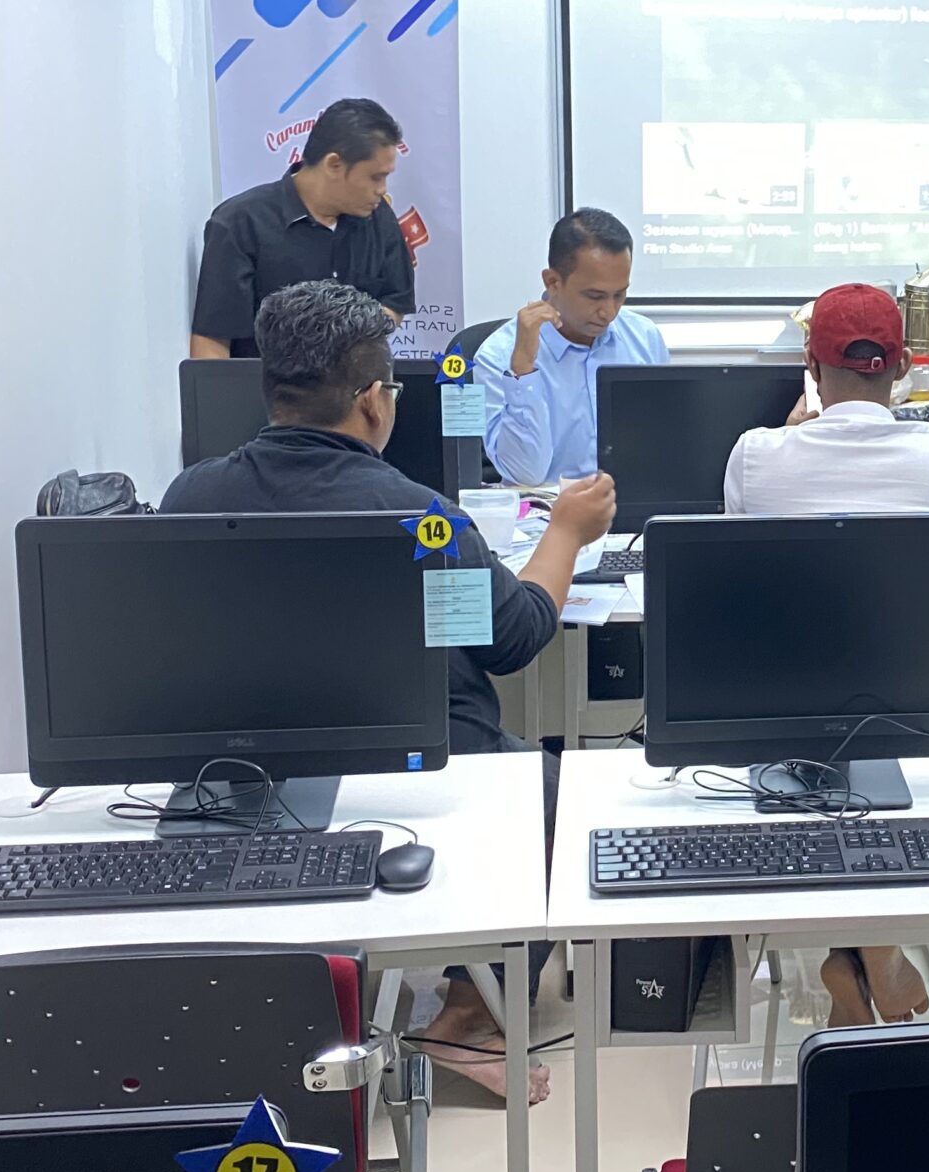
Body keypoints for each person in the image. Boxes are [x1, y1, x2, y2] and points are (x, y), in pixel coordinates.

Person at [163, 281, 618, 1097]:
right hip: (413, 769)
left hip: (251, 780)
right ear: (374, 400)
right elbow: (515, 638)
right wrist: (565, 533)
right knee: (551, 787)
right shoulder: (420, 520)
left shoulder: (190, 496)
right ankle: (469, 1016)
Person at [724, 283, 929, 1027]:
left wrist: (787, 437)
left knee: (826, 743)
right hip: (925, 704)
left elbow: (740, 565)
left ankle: (857, 952)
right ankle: (874, 952)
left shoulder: (756, 455)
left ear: (811, 365)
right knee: (872, 750)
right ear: (902, 368)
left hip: (779, 707)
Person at [191, 98, 415, 359]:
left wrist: (350, 337)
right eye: (375, 177)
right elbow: (212, 340)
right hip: (266, 382)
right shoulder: (240, 223)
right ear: (334, 165)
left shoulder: (378, 216)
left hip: (358, 382)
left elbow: (395, 302)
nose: (382, 189)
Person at [476, 208, 667, 482]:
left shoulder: (645, 338)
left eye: (619, 295)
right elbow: (525, 474)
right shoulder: (498, 356)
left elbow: (660, 448)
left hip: (628, 502)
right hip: (547, 506)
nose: (609, 312)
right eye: (595, 296)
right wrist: (523, 372)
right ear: (552, 282)